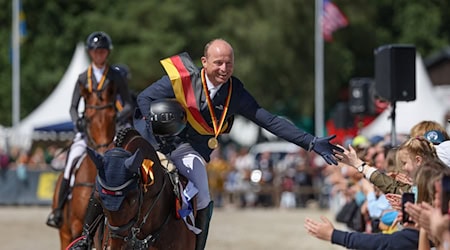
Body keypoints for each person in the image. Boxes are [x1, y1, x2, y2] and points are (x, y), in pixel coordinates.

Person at [133, 38, 343, 249]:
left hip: (189, 150)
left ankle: (196, 245)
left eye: (229, 63)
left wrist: (311, 142)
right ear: (204, 62)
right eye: (218, 63)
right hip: (158, 141)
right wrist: (158, 139)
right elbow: (144, 99)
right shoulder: (182, 78)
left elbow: (269, 121)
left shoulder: (235, 92)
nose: (224, 69)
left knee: (204, 196)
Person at [46, 31, 134, 229]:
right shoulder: (81, 78)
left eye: (102, 51)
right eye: (95, 52)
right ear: (90, 53)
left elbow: (127, 104)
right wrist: (77, 121)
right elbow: (72, 107)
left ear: (107, 53)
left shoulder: (116, 76)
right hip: (88, 133)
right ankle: (58, 210)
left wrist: (116, 119)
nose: (99, 55)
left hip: (111, 131)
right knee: (71, 162)